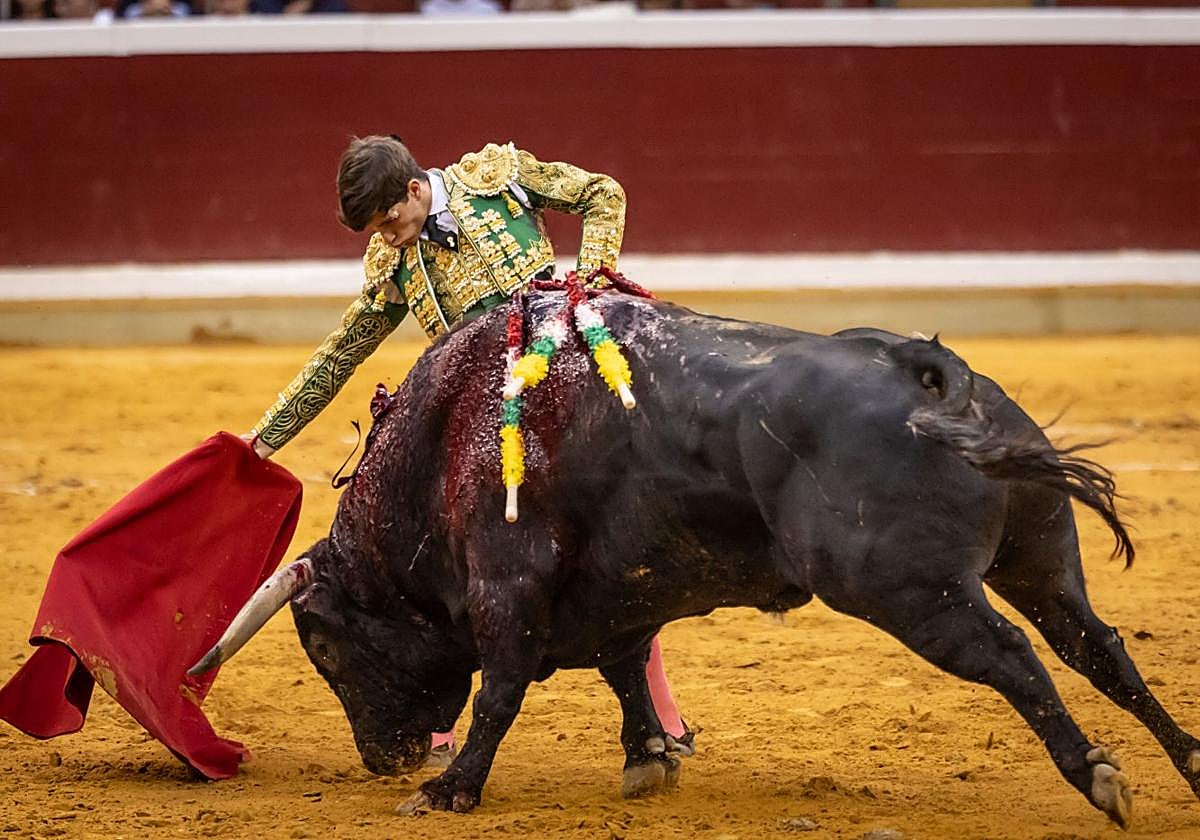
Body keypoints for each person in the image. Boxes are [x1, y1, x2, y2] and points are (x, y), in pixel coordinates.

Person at [245, 135, 692, 767]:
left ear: (415, 189)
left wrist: (588, 284)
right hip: (476, 427)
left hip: (562, 398)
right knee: (440, 566)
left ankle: (662, 721)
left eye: (390, 221)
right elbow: (344, 349)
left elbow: (601, 193)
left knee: (611, 558)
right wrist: (267, 437)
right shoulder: (394, 260)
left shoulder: (496, 179)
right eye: (376, 231)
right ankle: (435, 728)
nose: (387, 237)